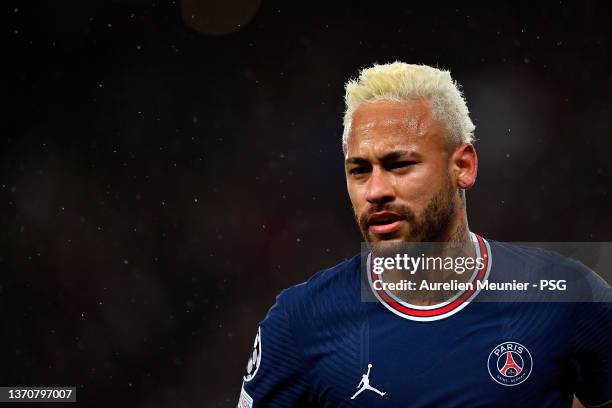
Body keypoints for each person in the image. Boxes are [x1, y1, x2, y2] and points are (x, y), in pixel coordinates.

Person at [237, 62, 612, 407]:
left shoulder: (565, 294)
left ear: (463, 166)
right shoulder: (300, 322)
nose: (376, 190)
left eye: (399, 165)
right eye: (359, 170)